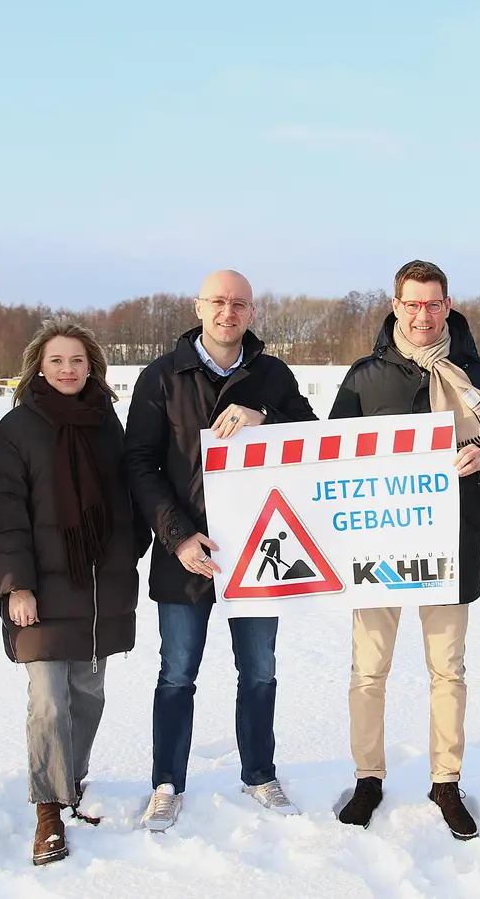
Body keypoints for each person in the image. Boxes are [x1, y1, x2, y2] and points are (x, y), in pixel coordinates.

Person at [122, 269, 318, 832]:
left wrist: (266, 419)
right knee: (177, 673)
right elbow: (140, 462)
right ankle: (167, 782)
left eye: (239, 303)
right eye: (218, 302)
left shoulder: (272, 375)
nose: (228, 312)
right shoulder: (162, 377)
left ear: (251, 313)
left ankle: (259, 772)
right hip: (185, 550)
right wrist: (177, 535)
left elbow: (308, 436)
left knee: (259, 669)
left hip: (262, 548)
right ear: (198, 307)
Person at [328, 259, 480, 840]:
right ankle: (368, 778)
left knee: (447, 672)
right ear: (395, 307)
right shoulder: (365, 377)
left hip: (452, 545)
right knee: (368, 670)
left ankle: (446, 781)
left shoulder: (475, 372)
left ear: (448, 305)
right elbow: (329, 456)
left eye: (433, 303)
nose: (423, 314)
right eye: (412, 303)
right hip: (377, 551)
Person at [0, 319, 149, 865]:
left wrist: (133, 548)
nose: (68, 370)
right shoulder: (17, 430)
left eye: (77, 360)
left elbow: (127, 496)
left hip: (100, 589)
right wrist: (17, 587)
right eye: (57, 361)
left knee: (88, 697)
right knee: (49, 702)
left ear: (92, 365)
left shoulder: (108, 423)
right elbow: (5, 517)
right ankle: (49, 809)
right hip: (42, 594)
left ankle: (71, 782)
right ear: (39, 366)